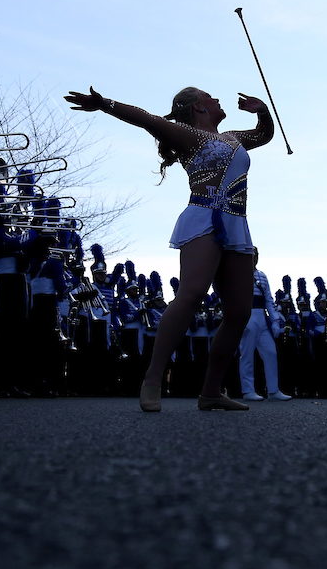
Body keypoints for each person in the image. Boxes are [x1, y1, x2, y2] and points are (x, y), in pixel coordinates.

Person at [64, 85, 274, 411]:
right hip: (205, 216)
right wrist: (105, 103)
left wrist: (262, 109)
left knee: (239, 313)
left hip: (236, 222)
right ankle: (152, 379)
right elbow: (146, 119)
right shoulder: (189, 135)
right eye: (210, 96)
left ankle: (211, 392)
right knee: (191, 294)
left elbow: (264, 135)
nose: (218, 98)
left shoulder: (232, 137)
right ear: (199, 108)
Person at [237, 248, 291, 401]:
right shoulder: (239, 274)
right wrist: (241, 319)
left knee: (271, 353)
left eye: (256, 256)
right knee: (247, 355)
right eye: (251, 256)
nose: (254, 259)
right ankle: (248, 390)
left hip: (262, 317)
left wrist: (274, 320)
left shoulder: (262, 275)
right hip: (248, 316)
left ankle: (273, 390)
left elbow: (269, 299)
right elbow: (236, 298)